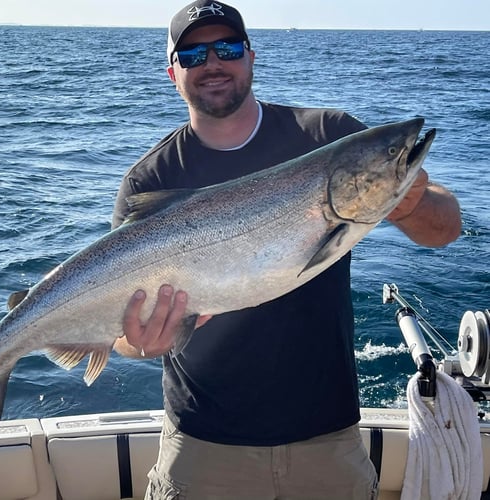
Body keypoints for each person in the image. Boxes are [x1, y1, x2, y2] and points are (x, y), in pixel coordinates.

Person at [111, 1, 462, 498]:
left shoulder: (328, 135)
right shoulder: (150, 180)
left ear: (251, 57)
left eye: (227, 47)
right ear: (173, 73)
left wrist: (402, 199)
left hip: (328, 439)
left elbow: (445, 229)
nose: (213, 62)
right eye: (193, 54)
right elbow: (122, 337)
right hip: (202, 444)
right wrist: (143, 343)